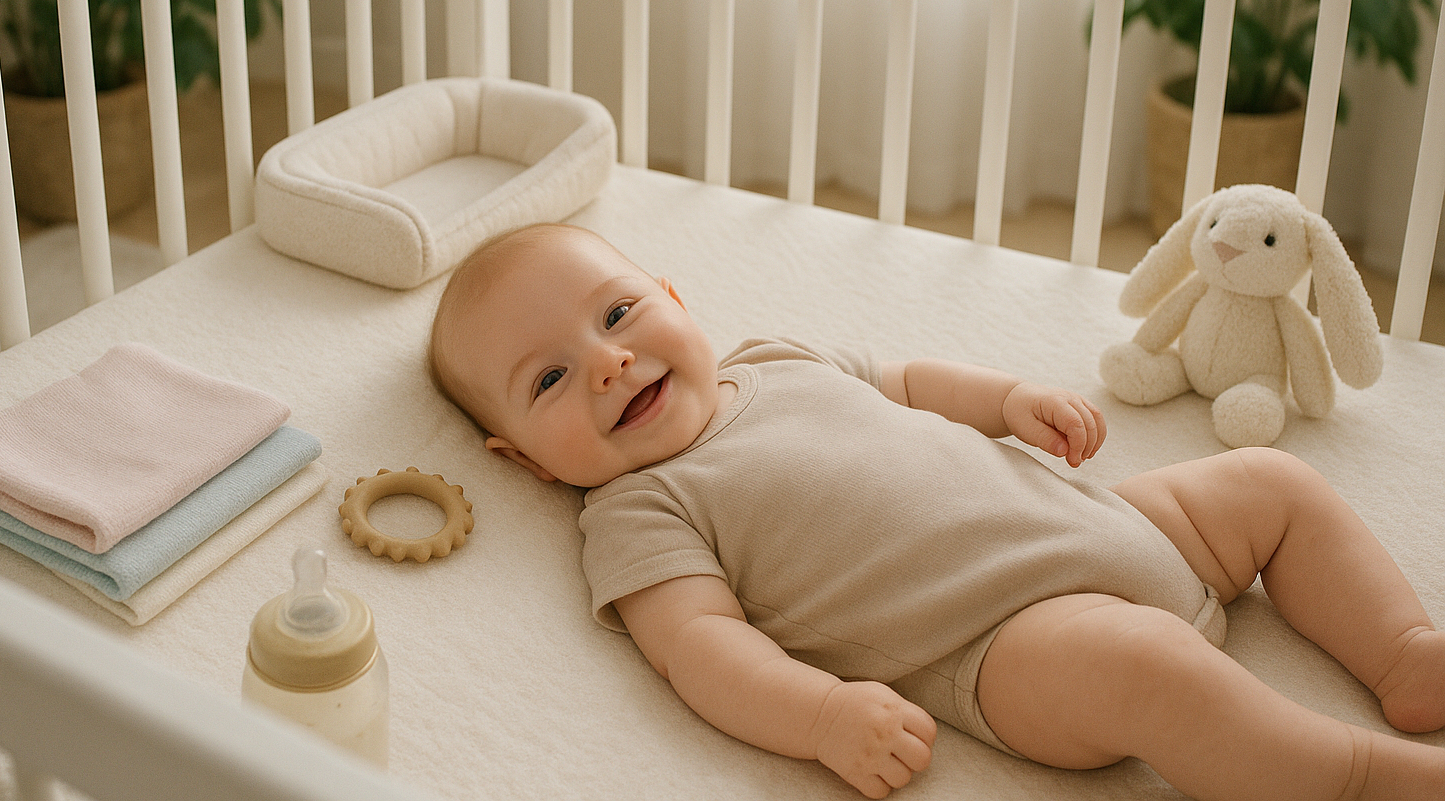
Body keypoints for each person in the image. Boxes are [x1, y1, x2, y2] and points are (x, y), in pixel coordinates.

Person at [428, 222, 1445, 800]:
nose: (608, 362)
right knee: (1150, 669)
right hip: (1009, 640)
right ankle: (1359, 776)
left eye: (618, 314)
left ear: (674, 297)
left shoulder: (775, 356)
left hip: (1106, 518)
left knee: (1267, 482)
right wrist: (825, 716)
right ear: (525, 461)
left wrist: (1006, 400)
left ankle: (1404, 653)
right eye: (552, 378)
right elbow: (699, 648)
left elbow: (907, 377)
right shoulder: (636, 508)